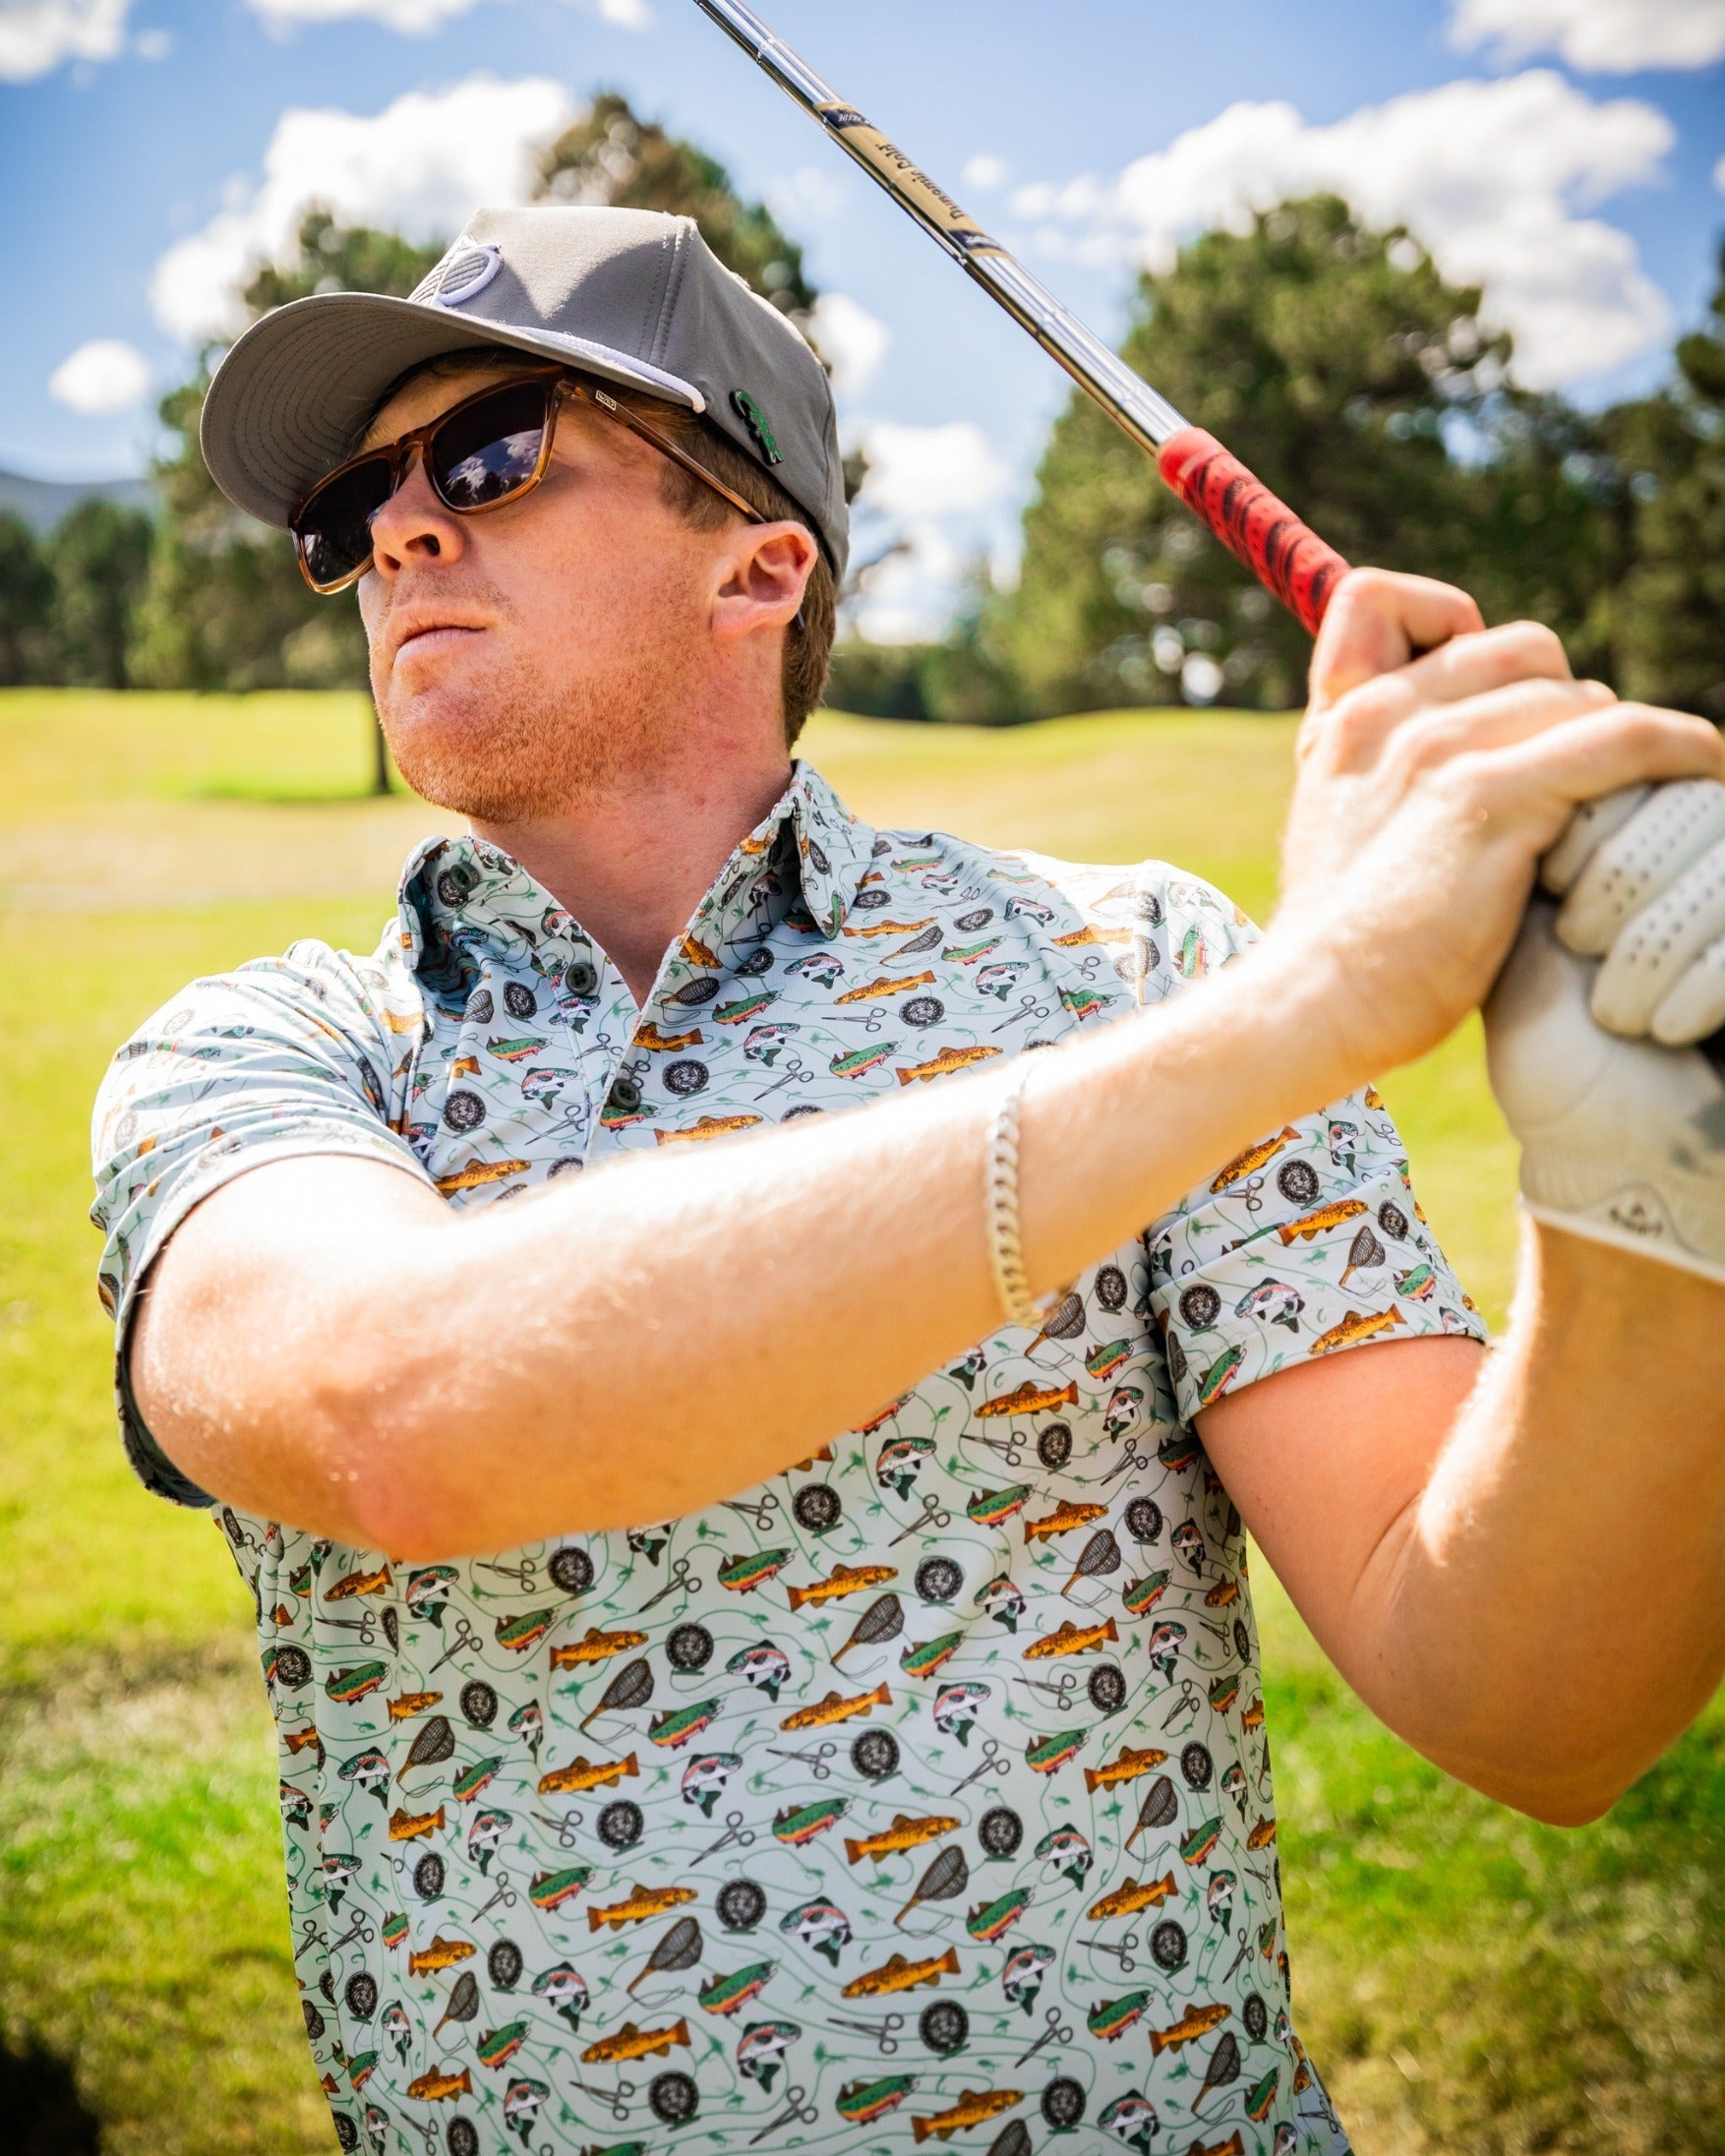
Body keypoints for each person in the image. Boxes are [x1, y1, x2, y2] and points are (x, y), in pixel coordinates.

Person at [90, 206, 1725, 2156]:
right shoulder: (256, 1054)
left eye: (492, 453)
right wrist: (1309, 1006)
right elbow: (393, 1419)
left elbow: (1537, 1704)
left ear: (759, 561)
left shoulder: (1125, 966)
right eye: (349, 510)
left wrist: (1646, 1191)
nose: (401, 534)